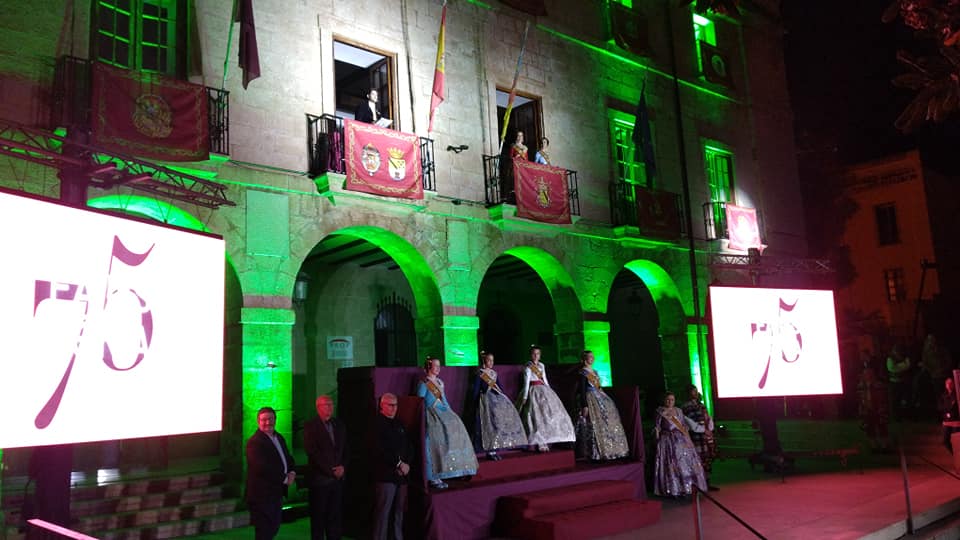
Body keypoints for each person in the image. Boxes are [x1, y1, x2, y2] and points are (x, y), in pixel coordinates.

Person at [416, 357, 479, 489]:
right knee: (435, 441)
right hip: (431, 414)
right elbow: (419, 402)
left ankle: (456, 469)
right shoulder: (423, 383)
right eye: (435, 366)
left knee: (456, 426)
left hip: (442, 411)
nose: (438, 368)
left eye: (439, 366)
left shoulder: (440, 382)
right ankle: (434, 476)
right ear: (428, 367)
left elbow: (444, 400)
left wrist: (452, 414)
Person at [246, 407, 296, 540]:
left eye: (271, 419)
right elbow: (262, 468)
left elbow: (288, 457)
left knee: (273, 528)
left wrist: (292, 471)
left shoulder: (279, 437)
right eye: (264, 420)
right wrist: (285, 479)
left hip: (276, 494)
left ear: (275, 420)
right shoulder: (254, 443)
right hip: (262, 496)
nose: (268, 422)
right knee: (264, 532)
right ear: (258, 422)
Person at [302, 395, 348, 540]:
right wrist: (331, 470)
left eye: (331, 404)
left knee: (334, 519)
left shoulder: (338, 425)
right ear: (318, 407)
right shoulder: (311, 426)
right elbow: (313, 452)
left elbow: (346, 449)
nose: (329, 407)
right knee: (318, 520)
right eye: (326, 405)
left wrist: (343, 467)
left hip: (337, 481)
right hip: (320, 481)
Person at [516, 345, 576, 452]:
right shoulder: (528, 367)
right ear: (531, 355)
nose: (536, 356)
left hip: (544, 390)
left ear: (540, 355)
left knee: (547, 415)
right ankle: (540, 442)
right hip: (533, 391)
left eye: (538, 354)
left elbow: (545, 379)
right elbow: (526, 383)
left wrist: (550, 391)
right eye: (534, 354)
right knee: (536, 417)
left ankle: (549, 440)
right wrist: (525, 397)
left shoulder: (541, 366)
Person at [573, 350, 629, 461]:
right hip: (590, 399)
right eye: (589, 357)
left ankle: (611, 449)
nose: (592, 359)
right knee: (594, 424)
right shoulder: (583, 373)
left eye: (593, 357)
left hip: (600, 398)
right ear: (584, 359)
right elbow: (582, 390)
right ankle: (594, 452)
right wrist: (584, 405)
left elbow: (599, 387)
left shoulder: (595, 372)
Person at [472, 351, 527, 460]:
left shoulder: (494, 374)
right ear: (484, 361)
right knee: (488, 427)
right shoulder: (480, 374)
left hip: (495, 402)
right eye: (489, 360)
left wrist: (503, 399)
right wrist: (476, 402)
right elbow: (476, 390)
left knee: (496, 425)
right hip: (485, 402)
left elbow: (499, 387)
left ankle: (495, 449)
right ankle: (489, 451)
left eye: (492, 360)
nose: (491, 362)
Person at [372, 393, 413, 540]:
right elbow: (380, 449)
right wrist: (399, 463)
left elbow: (409, 446)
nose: (394, 408)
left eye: (396, 405)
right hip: (386, 477)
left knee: (399, 512)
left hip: (402, 477)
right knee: (383, 514)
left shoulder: (400, 424)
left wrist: (406, 465)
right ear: (382, 405)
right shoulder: (376, 424)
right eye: (390, 405)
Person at [653, 392, 707, 498]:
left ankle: (686, 487)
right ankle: (673, 488)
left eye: (672, 399)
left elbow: (683, 426)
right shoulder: (660, 412)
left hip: (680, 440)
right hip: (667, 441)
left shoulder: (679, 411)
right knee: (671, 464)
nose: (670, 402)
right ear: (664, 400)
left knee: (684, 464)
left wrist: (688, 440)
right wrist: (657, 441)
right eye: (668, 399)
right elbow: (657, 428)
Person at [681, 385, 719, 490]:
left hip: (706, 437)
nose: (695, 393)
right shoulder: (685, 407)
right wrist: (703, 430)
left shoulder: (701, 405)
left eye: (696, 391)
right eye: (692, 391)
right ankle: (699, 484)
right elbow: (690, 423)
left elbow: (708, 417)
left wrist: (710, 429)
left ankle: (707, 482)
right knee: (698, 460)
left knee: (707, 459)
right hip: (696, 437)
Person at [857, 364, 890, 452]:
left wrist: (883, 409)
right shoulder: (861, 387)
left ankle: (884, 446)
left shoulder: (879, 386)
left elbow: (883, 398)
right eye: (866, 374)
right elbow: (860, 400)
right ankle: (874, 446)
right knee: (870, 428)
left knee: (882, 427)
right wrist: (861, 410)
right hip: (867, 409)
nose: (867, 376)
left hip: (878, 409)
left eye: (869, 374)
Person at [939, 376, 960, 453]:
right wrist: (948, 409)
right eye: (948, 383)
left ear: (954, 384)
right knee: (945, 441)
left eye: (951, 383)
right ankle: (955, 455)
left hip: (956, 422)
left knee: (956, 442)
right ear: (945, 385)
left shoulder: (957, 394)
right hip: (947, 421)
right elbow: (940, 407)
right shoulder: (944, 395)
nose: (949, 385)